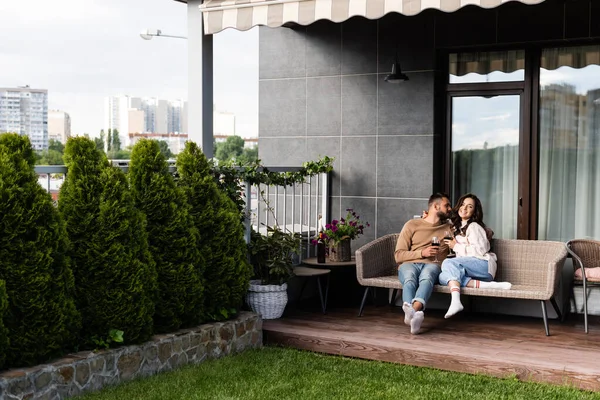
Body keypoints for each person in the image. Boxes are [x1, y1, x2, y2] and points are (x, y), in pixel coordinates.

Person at [439, 193, 512, 319]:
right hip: (472, 270)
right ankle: (491, 286)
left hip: (484, 265)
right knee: (442, 277)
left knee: (448, 263)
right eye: (462, 205)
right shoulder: (458, 226)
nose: (464, 208)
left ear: (475, 211)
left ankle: (455, 301)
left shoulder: (474, 227)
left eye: (470, 207)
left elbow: (479, 251)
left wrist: (455, 246)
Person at [395, 193, 452, 335]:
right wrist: (422, 253)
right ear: (436, 206)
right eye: (447, 205)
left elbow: (469, 231)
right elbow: (398, 255)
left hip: (433, 264)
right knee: (409, 277)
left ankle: (412, 312)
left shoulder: (448, 228)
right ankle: (414, 315)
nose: (450, 209)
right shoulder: (412, 224)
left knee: (427, 276)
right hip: (410, 263)